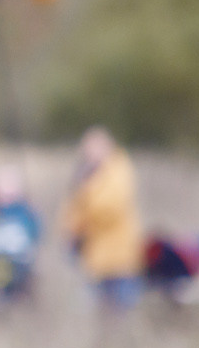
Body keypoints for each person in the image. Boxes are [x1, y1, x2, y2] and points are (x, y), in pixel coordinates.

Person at [59, 127, 145, 310]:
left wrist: (85, 203)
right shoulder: (85, 174)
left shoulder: (119, 170)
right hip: (94, 258)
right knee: (97, 311)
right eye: (87, 149)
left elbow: (111, 207)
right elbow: (72, 211)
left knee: (121, 309)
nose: (90, 153)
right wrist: (72, 231)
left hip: (121, 256)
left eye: (94, 147)